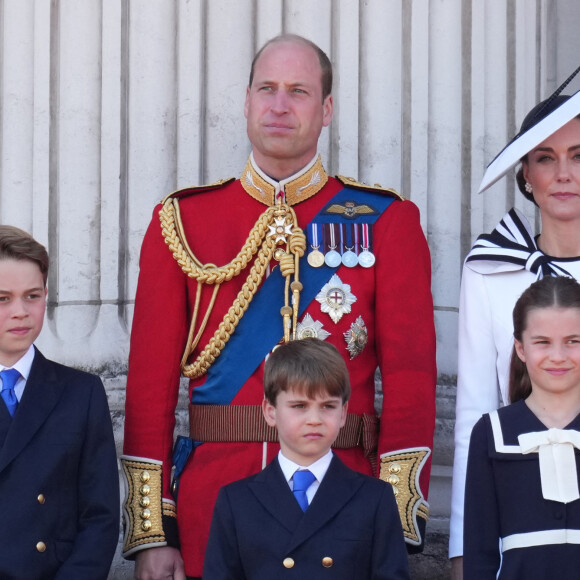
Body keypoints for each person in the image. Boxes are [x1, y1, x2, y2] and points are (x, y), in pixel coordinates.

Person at [121, 34, 436, 580]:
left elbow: (411, 384)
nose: (280, 105)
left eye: (299, 91)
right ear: (246, 101)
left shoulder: (385, 221)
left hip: (343, 508)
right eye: (267, 89)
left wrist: (393, 517)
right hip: (211, 510)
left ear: (326, 108)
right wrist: (154, 531)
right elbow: (148, 389)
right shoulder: (181, 222)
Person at [450, 72, 580, 578]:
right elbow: (474, 413)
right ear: (525, 174)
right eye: (546, 158)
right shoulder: (490, 269)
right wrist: (462, 548)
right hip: (516, 507)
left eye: (578, 155)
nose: (564, 173)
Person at [203, 338, 410, 580]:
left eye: (328, 406)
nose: (314, 419)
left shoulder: (375, 498)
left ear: (343, 413)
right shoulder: (236, 501)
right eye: (300, 406)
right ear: (270, 412)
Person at [0, 225, 119, 579]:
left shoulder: (81, 393)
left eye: (32, 296)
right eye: (2, 298)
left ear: (46, 296)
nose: (20, 311)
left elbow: (100, 516)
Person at [464, 275, 580, 578]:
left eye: (573, 341)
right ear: (520, 348)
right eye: (543, 342)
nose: (558, 356)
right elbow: (479, 553)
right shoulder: (491, 432)